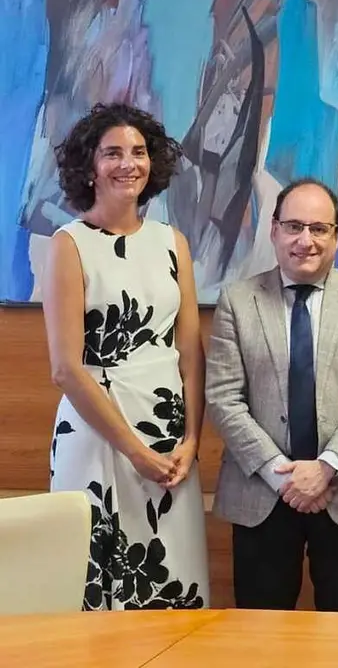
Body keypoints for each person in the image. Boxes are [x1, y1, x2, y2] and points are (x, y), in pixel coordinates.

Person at [204, 178, 338, 612]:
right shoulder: (238, 300)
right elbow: (223, 397)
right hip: (262, 492)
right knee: (260, 631)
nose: (305, 240)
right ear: (274, 230)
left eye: (318, 229)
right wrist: (285, 477)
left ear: (336, 236)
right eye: (293, 226)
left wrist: (325, 468)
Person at [44, 102, 209, 610]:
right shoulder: (69, 244)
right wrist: (136, 452)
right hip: (98, 433)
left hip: (170, 440)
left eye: (138, 152)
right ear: (89, 166)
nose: (127, 163)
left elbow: (190, 351)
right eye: (112, 152)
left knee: (172, 578)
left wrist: (192, 440)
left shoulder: (172, 242)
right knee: (97, 585)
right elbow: (65, 369)